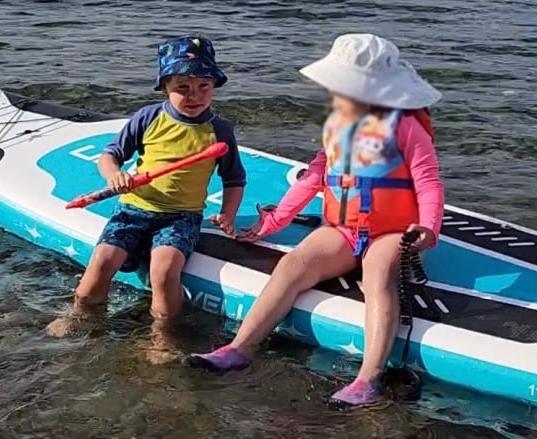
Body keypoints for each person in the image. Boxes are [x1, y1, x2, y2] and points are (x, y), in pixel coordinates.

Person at [185, 33, 445, 406]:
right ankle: (240, 348)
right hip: (343, 228)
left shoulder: (406, 128)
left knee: (378, 274)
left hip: (393, 231)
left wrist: (428, 228)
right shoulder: (338, 126)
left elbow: (429, 183)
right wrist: (272, 224)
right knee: (294, 264)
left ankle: (368, 378)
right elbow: (313, 179)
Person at [46, 36, 247, 356]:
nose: (194, 96)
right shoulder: (148, 118)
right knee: (102, 261)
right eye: (183, 87)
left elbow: (234, 179)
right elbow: (109, 156)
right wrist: (116, 176)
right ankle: (81, 314)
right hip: (135, 206)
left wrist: (228, 214)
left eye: (203, 86)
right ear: (165, 86)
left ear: (214, 86)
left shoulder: (219, 131)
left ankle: (163, 337)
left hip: (182, 216)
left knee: (164, 270)